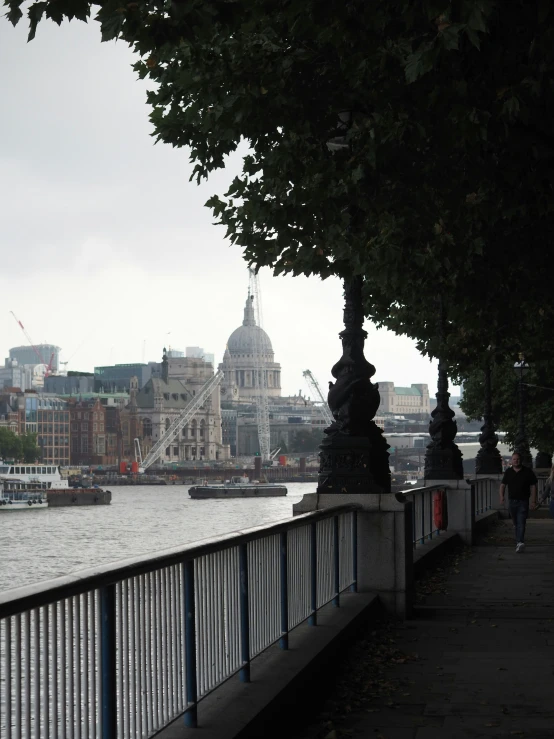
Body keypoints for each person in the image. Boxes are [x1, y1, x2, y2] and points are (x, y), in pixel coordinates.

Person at [499, 452, 538, 552]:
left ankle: (520, 542)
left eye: (518, 459)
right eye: (514, 459)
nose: (516, 461)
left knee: (521, 522)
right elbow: (503, 485)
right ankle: (518, 542)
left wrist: (533, 501)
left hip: (523, 501)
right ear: (512, 461)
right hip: (512, 502)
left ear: (521, 460)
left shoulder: (527, 472)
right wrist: (501, 497)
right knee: (516, 523)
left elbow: (533, 486)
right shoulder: (508, 472)